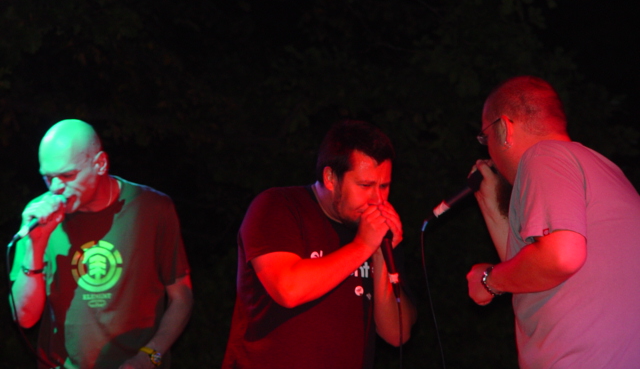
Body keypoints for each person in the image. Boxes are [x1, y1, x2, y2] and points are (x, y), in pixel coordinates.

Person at [466, 76, 640, 368]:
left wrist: (489, 280)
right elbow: (533, 272)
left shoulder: (543, 155)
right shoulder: (605, 169)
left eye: (486, 138)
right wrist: (489, 204)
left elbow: (561, 257)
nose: (488, 151)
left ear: (504, 128)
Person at [222, 120, 417, 369]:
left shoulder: (374, 232)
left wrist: (379, 254)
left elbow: (397, 334)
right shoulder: (278, 205)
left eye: (384, 186)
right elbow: (288, 289)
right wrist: (362, 246)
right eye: (365, 185)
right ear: (330, 178)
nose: (377, 200)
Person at [9, 119, 193, 369]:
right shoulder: (38, 217)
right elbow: (25, 318)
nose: (57, 188)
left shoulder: (153, 209)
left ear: (100, 164)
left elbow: (181, 297)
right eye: (48, 178)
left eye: (68, 175)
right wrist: (36, 246)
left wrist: (151, 355)